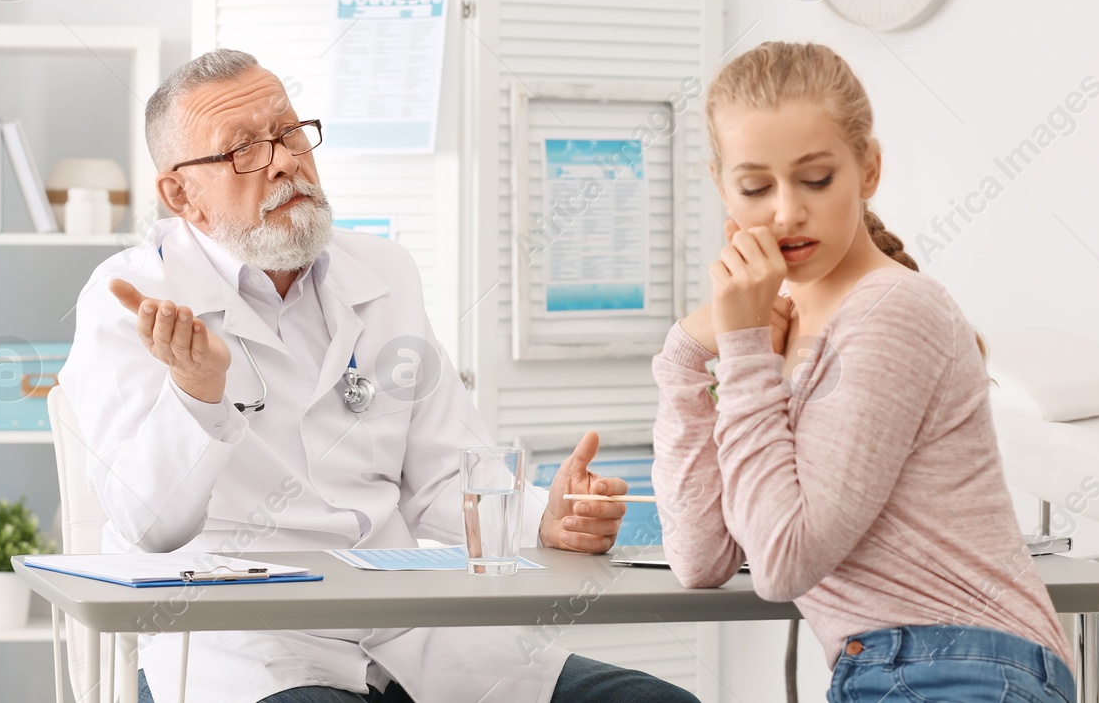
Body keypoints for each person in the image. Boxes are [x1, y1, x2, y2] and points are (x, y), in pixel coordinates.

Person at [60, 48, 699, 703]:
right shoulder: (129, 299)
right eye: (242, 149)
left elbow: (444, 476)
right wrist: (195, 393)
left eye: (287, 132)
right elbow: (148, 525)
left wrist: (546, 517)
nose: (282, 159)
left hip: (416, 629)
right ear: (180, 193)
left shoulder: (384, 272)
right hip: (245, 642)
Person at [650, 41, 1077, 703]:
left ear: (869, 168)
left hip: (964, 668)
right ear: (721, 183)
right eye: (756, 186)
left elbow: (784, 559)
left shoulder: (890, 308)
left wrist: (740, 346)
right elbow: (700, 557)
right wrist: (686, 353)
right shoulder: (781, 334)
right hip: (897, 671)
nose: (786, 211)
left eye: (815, 178)